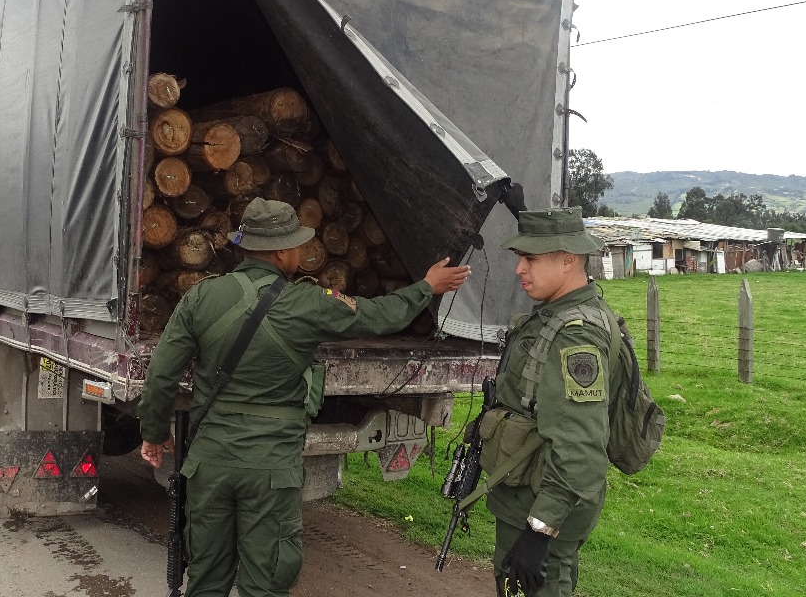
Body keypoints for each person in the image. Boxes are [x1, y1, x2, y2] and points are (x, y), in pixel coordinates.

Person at [136, 197, 471, 597]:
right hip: (272, 468)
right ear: (280, 251)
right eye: (297, 244)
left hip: (210, 463)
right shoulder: (308, 302)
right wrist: (426, 288)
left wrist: (154, 434)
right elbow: (379, 315)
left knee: (206, 581)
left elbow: (161, 376)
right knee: (266, 584)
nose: (301, 251)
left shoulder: (201, 297)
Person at [485, 207, 615, 597]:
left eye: (530, 259)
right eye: (520, 258)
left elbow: (579, 446)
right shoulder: (552, 317)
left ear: (568, 260)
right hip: (526, 499)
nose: (519, 269)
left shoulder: (576, 336)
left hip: (541, 511)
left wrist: (540, 530)